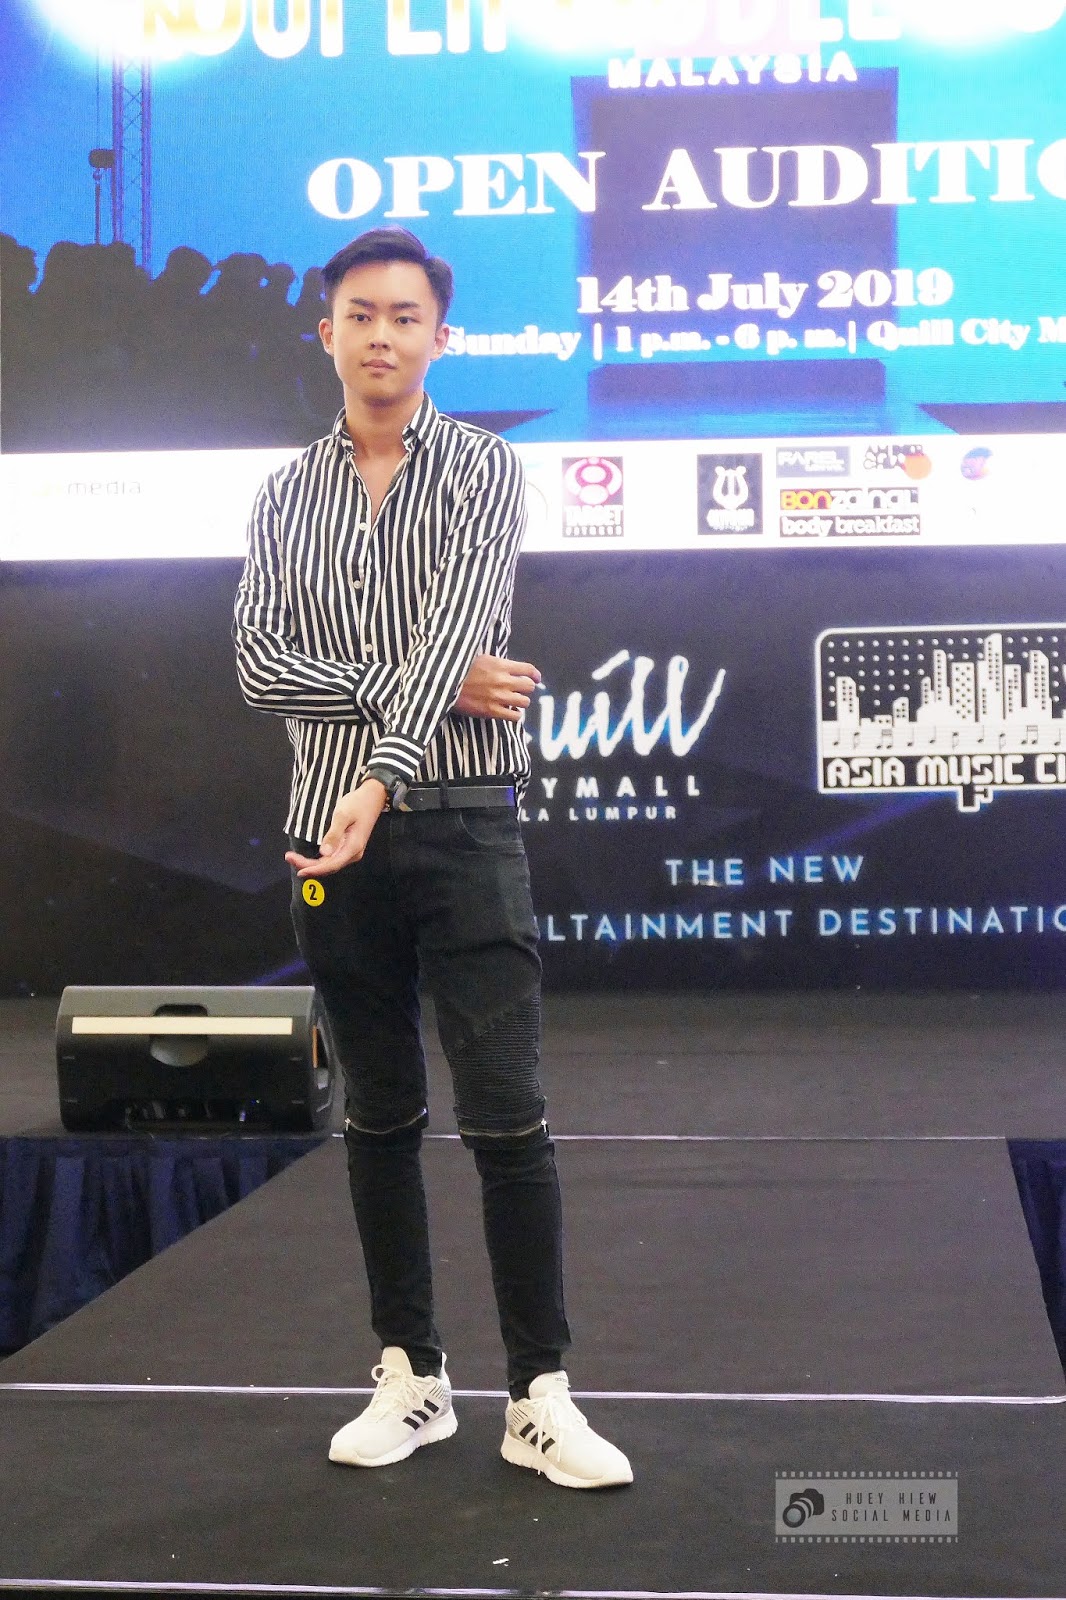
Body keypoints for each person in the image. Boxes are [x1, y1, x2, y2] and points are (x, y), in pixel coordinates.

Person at [233, 226, 632, 1490]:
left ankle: (538, 1395)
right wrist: (428, 687)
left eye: (405, 316)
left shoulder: (483, 468)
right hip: (326, 836)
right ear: (326, 331)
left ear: (440, 337)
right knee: (379, 1115)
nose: (381, 335)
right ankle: (410, 1374)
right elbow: (259, 664)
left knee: (506, 1112)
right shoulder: (283, 493)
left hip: (461, 825)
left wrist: (379, 769)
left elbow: (464, 615)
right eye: (360, 314)